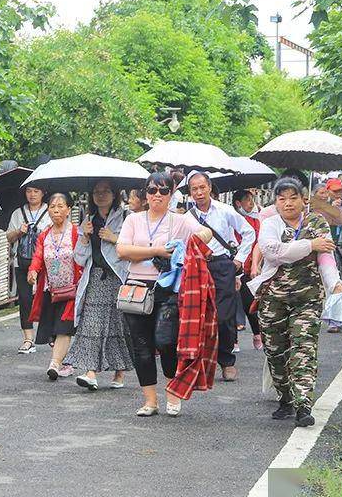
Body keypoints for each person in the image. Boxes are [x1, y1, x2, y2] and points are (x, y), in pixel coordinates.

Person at [249, 176, 342, 428]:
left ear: (304, 199)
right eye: (282, 199)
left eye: (293, 198)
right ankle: (285, 397)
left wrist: (334, 283)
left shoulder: (317, 221)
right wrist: (309, 244)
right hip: (273, 298)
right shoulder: (269, 224)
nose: (288, 203)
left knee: (304, 349)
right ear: (276, 202)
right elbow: (273, 252)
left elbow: (325, 257)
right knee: (275, 351)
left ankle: (304, 405)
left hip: (308, 298)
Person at [116, 171, 210, 417]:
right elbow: (122, 250)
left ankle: (172, 391)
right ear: (145, 193)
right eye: (152, 190)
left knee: (166, 342)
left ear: (171, 194)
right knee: (141, 345)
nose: (157, 195)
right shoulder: (133, 220)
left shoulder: (179, 220)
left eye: (163, 190)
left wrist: (194, 240)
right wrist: (157, 250)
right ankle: (150, 401)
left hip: (168, 289)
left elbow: (205, 233)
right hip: (137, 287)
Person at [185, 171, 255, 380]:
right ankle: (202, 363)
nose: (199, 192)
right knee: (199, 315)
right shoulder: (187, 218)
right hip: (197, 267)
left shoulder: (225, 211)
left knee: (224, 315)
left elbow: (249, 232)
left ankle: (226, 360)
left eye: (202, 187)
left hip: (223, 265)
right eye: (194, 189)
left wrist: (240, 259)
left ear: (209, 187)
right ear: (190, 192)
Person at [65, 181, 133, 390]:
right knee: (91, 324)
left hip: (119, 279)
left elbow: (136, 248)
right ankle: (90, 372)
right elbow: (79, 257)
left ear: (115, 195)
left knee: (117, 326)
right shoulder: (88, 220)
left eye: (106, 192)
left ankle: (119, 372)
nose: (100, 195)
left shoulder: (127, 218)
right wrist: (84, 236)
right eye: (96, 192)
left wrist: (115, 239)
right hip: (95, 279)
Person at [27, 192, 82, 380]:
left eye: (60, 206)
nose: (56, 210)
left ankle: (55, 363)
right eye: (52, 206)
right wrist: (33, 271)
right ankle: (64, 361)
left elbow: (82, 258)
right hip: (51, 291)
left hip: (72, 290)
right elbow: (38, 256)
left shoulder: (76, 232)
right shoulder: (44, 235)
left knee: (64, 327)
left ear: (68, 209)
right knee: (53, 328)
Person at [6, 185, 52, 354]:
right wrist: (20, 231)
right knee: (25, 300)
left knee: (47, 298)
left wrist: (43, 233)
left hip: (46, 264)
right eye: (29, 191)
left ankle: (50, 333)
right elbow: (8, 237)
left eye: (36, 191)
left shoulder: (50, 210)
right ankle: (28, 339)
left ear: (43, 193)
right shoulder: (18, 213)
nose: (32, 194)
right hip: (22, 262)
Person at [232, 189, 263, 350]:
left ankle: (257, 334)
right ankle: (234, 340)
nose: (251, 203)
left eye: (252, 199)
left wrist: (255, 265)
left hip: (250, 268)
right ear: (238, 203)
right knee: (232, 303)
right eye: (247, 200)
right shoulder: (231, 219)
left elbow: (259, 244)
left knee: (249, 302)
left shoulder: (256, 221)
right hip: (234, 266)